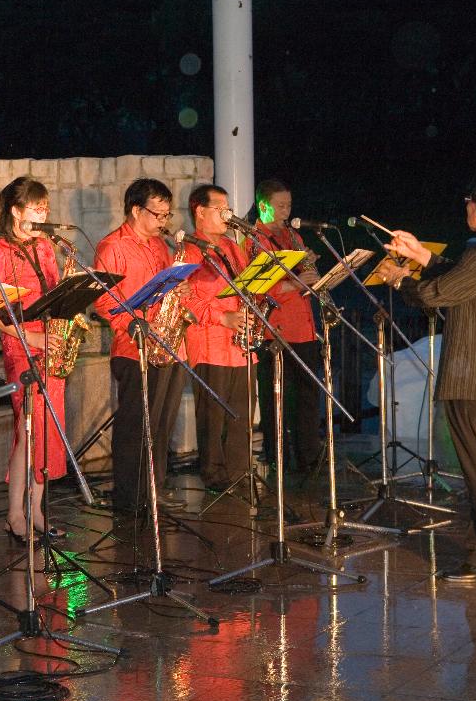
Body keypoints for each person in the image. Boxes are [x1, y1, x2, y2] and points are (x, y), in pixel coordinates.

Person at [377, 169, 476, 583]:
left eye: (468, 201)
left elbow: (439, 293)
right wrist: (420, 255)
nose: (466, 206)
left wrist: (401, 279)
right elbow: (461, 276)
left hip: (475, 379)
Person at [0, 177, 68, 541]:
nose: (43, 214)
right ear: (16, 211)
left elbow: (56, 290)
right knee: (26, 430)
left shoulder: (45, 245)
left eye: (45, 207)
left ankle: (35, 510)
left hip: (50, 343)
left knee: (46, 433)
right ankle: (15, 514)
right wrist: (27, 335)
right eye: (36, 207)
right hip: (22, 345)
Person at [93, 178, 188, 514]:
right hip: (133, 348)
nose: (164, 222)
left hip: (166, 344)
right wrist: (134, 324)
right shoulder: (112, 247)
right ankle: (130, 499)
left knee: (161, 425)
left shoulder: (160, 246)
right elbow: (103, 302)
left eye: (166, 215)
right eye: (157, 215)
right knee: (136, 426)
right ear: (136, 210)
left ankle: (153, 492)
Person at [180, 184, 254, 493]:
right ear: (200, 211)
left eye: (228, 208)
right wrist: (222, 317)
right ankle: (215, 475)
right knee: (213, 415)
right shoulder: (188, 250)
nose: (228, 214)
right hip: (209, 341)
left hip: (239, 343)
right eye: (221, 208)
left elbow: (247, 282)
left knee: (242, 411)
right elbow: (184, 299)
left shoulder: (230, 246)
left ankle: (240, 472)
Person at [250, 179, 323, 475]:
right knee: (275, 400)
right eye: (280, 206)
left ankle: (309, 457)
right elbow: (257, 288)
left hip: (302, 325)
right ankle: (277, 458)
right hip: (275, 330)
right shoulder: (255, 238)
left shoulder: (293, 236)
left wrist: (310, 266)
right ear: (263, 206)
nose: (285, 211)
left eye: (289, 205)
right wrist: (296, 282)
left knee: (307, 395)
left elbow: (306, 275)